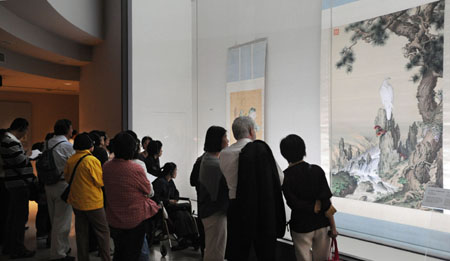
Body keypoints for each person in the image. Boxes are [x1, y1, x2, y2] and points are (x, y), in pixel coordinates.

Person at [219, 116, 285, 260]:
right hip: (259, 208)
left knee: (238, 252)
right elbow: (279, 178)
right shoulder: (259, 151)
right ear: (250, 130)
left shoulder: (224, 154)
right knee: (263, 251)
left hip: (234, 207)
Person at [280, 134, 337, 261]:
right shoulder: (317, 170)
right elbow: (327, 203)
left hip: (301, 226)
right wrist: (333, 227)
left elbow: (293, 204)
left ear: (284, 154)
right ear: (303, 150)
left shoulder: (285, 177)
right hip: (322, 224)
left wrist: (313, 207)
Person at [103, 132, 159, 261]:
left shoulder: (106, 166)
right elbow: (149, 191)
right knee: (133, 253)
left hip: (113, 217)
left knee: (120, 252)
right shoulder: (135, 168)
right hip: (134, 219)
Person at [64, 133, 111, 261]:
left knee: (81, 233)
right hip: (93, 202)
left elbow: (67, 179)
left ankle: (83, 258)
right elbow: (100, 181)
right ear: (90, 146)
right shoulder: (92, 160)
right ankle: (106, 258)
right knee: (103, 232)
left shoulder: (71, 159)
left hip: (77, 202)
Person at [0, 119, 36, 258]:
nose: (25, 134)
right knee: (19, 218)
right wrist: (28, 156)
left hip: (13, 183)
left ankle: (9, 246)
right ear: (21, 128)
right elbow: (20, 161)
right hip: (18, 184)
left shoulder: (6, 140)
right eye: (26, 130)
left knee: (13, 217)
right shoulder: (11, 141)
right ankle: (17, 248)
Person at [45, 119, 75, 261]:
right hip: (62, 184)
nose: (72, 131)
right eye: (71, 128)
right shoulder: (67, 146)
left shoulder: (48, 143)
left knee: (54, 219)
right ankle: (58, 254)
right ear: (67, 129)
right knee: (62, 221)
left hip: (48, 183)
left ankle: (61, 248)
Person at [197, 126, 229, 261]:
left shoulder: (205, 158)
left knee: (211, 248)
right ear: (218, 141)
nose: (227, 141)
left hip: (207, 210)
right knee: (215, 251)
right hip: (214, 212)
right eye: (225, 138)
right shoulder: (215, 164)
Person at [153, 162, 198, 250]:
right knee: (181, 215)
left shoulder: (170, 182)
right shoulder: (159, 182)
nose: (176, 172)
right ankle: (183, 239)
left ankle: (192, 237)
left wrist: (175, 200)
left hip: (172, 206)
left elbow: (176, 193)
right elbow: (156, 197)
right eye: (175, 170)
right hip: (165, 208)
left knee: (186, 214)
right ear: (170, 172)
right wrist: (169, 201)